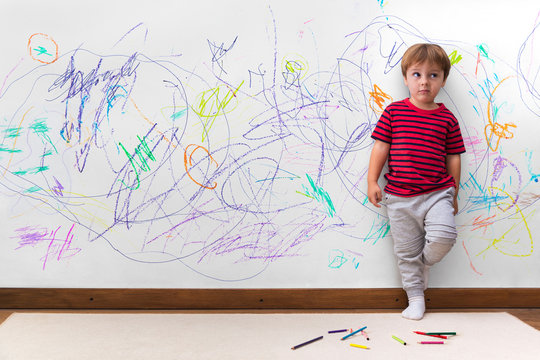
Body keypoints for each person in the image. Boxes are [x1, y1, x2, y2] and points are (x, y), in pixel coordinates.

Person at [367, 43, 466, 320]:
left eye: (433, 75)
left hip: (438, 193)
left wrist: (454, 193)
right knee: (405, 252)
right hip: (399, 197)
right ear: (406, 78)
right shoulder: (394, 112)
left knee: (444, 237)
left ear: (443, 80)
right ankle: (415, 298)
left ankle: (422, 263)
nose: (424, 81)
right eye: (417, 74)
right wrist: (372, 180)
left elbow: (454, 157)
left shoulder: (447, 118)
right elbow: (380, 147)